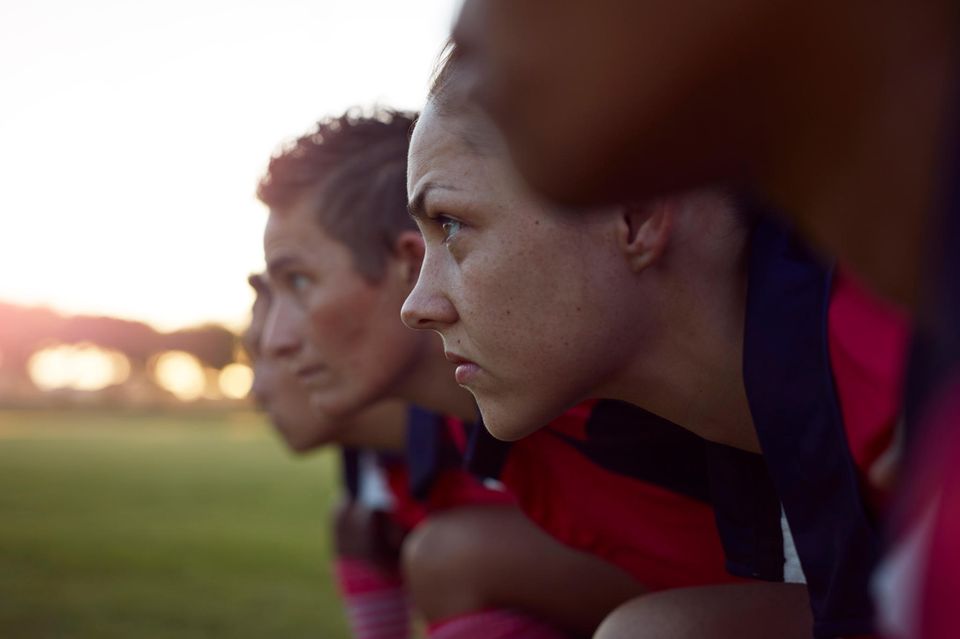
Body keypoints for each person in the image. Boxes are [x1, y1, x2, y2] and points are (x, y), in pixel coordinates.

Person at [401, 49, 908, 639]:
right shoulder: (810, 381)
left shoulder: (906, 373)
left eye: (451, 224)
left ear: (636, 214)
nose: (417, 306)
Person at [258, 108, 723, 638]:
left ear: (407, 264)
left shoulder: (592, 376)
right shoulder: (491, 421)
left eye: (298, 282)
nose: (275, 341)